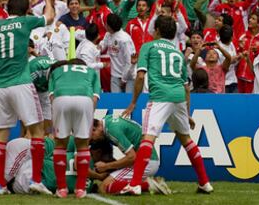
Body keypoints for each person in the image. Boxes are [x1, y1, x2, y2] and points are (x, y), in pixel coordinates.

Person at [122, 16, 213, 195]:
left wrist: (133, 102)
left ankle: (134, 184)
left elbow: (140, 76)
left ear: (156, 31)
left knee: (147, 139)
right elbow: (186, 87)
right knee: (186, 139)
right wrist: (186, 113)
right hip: (178, 96)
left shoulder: (148, 46)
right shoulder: (178, 52)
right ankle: (205, 183)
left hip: (160, 97)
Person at [0, 0, 54, 195]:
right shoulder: (25, 22)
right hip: (22, 83)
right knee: (38, 132)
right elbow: (49, 17)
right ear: (26, 10)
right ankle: (36, 180)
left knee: (1, 135)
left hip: (1, 86)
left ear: (8, 8)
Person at [48, 58, 100, 198]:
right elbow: (95, 97)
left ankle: (62, 189)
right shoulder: (91, 71)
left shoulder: (58, 70)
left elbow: (52, 96)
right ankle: (81, 189)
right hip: (84, 100)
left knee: (60, 144)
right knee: (82, 145)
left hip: (61, 99)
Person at [91, 115, 170, 195]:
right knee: (109, 181)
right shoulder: (107, 120)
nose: (93, 139)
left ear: (94, 129)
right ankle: (146, 183)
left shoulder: (112, 130)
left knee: (103, 188)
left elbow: (132, 157)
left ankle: (149, 185)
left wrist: (106, 166)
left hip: (145, 163)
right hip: (147, 160)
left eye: (91, 136)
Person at [100, 14, 136, 93]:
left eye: (106, 23)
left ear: (109, 26)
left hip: (129, 76)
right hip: (115, 75)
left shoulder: (125, 40)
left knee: (127, 102)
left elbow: (129, 61)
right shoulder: (108, 34)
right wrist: (99, 47)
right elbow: (104, 45)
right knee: (116, 102)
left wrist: (124, 78)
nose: (104, 25)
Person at [28, 39, 57, 134]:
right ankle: (27, 136)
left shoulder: (58, 69)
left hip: (45, 88)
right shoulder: (33, 68)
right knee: (29, 119)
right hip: (30, 86)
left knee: (49, 121)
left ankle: (49, 136)